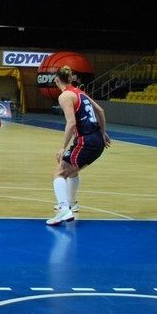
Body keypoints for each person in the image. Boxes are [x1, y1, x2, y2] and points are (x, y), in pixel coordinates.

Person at [47, 65, 111, 226]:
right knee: (72, 171)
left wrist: (62, 147)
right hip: (96, 140)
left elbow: (71, 123)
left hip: (86, 140)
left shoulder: (65, 96)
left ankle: (64, 209)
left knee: (58, 173)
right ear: (71, 79)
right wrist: (103, 132)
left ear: (57, 80)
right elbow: (100, 111)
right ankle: (72, 204)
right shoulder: (80, 93)